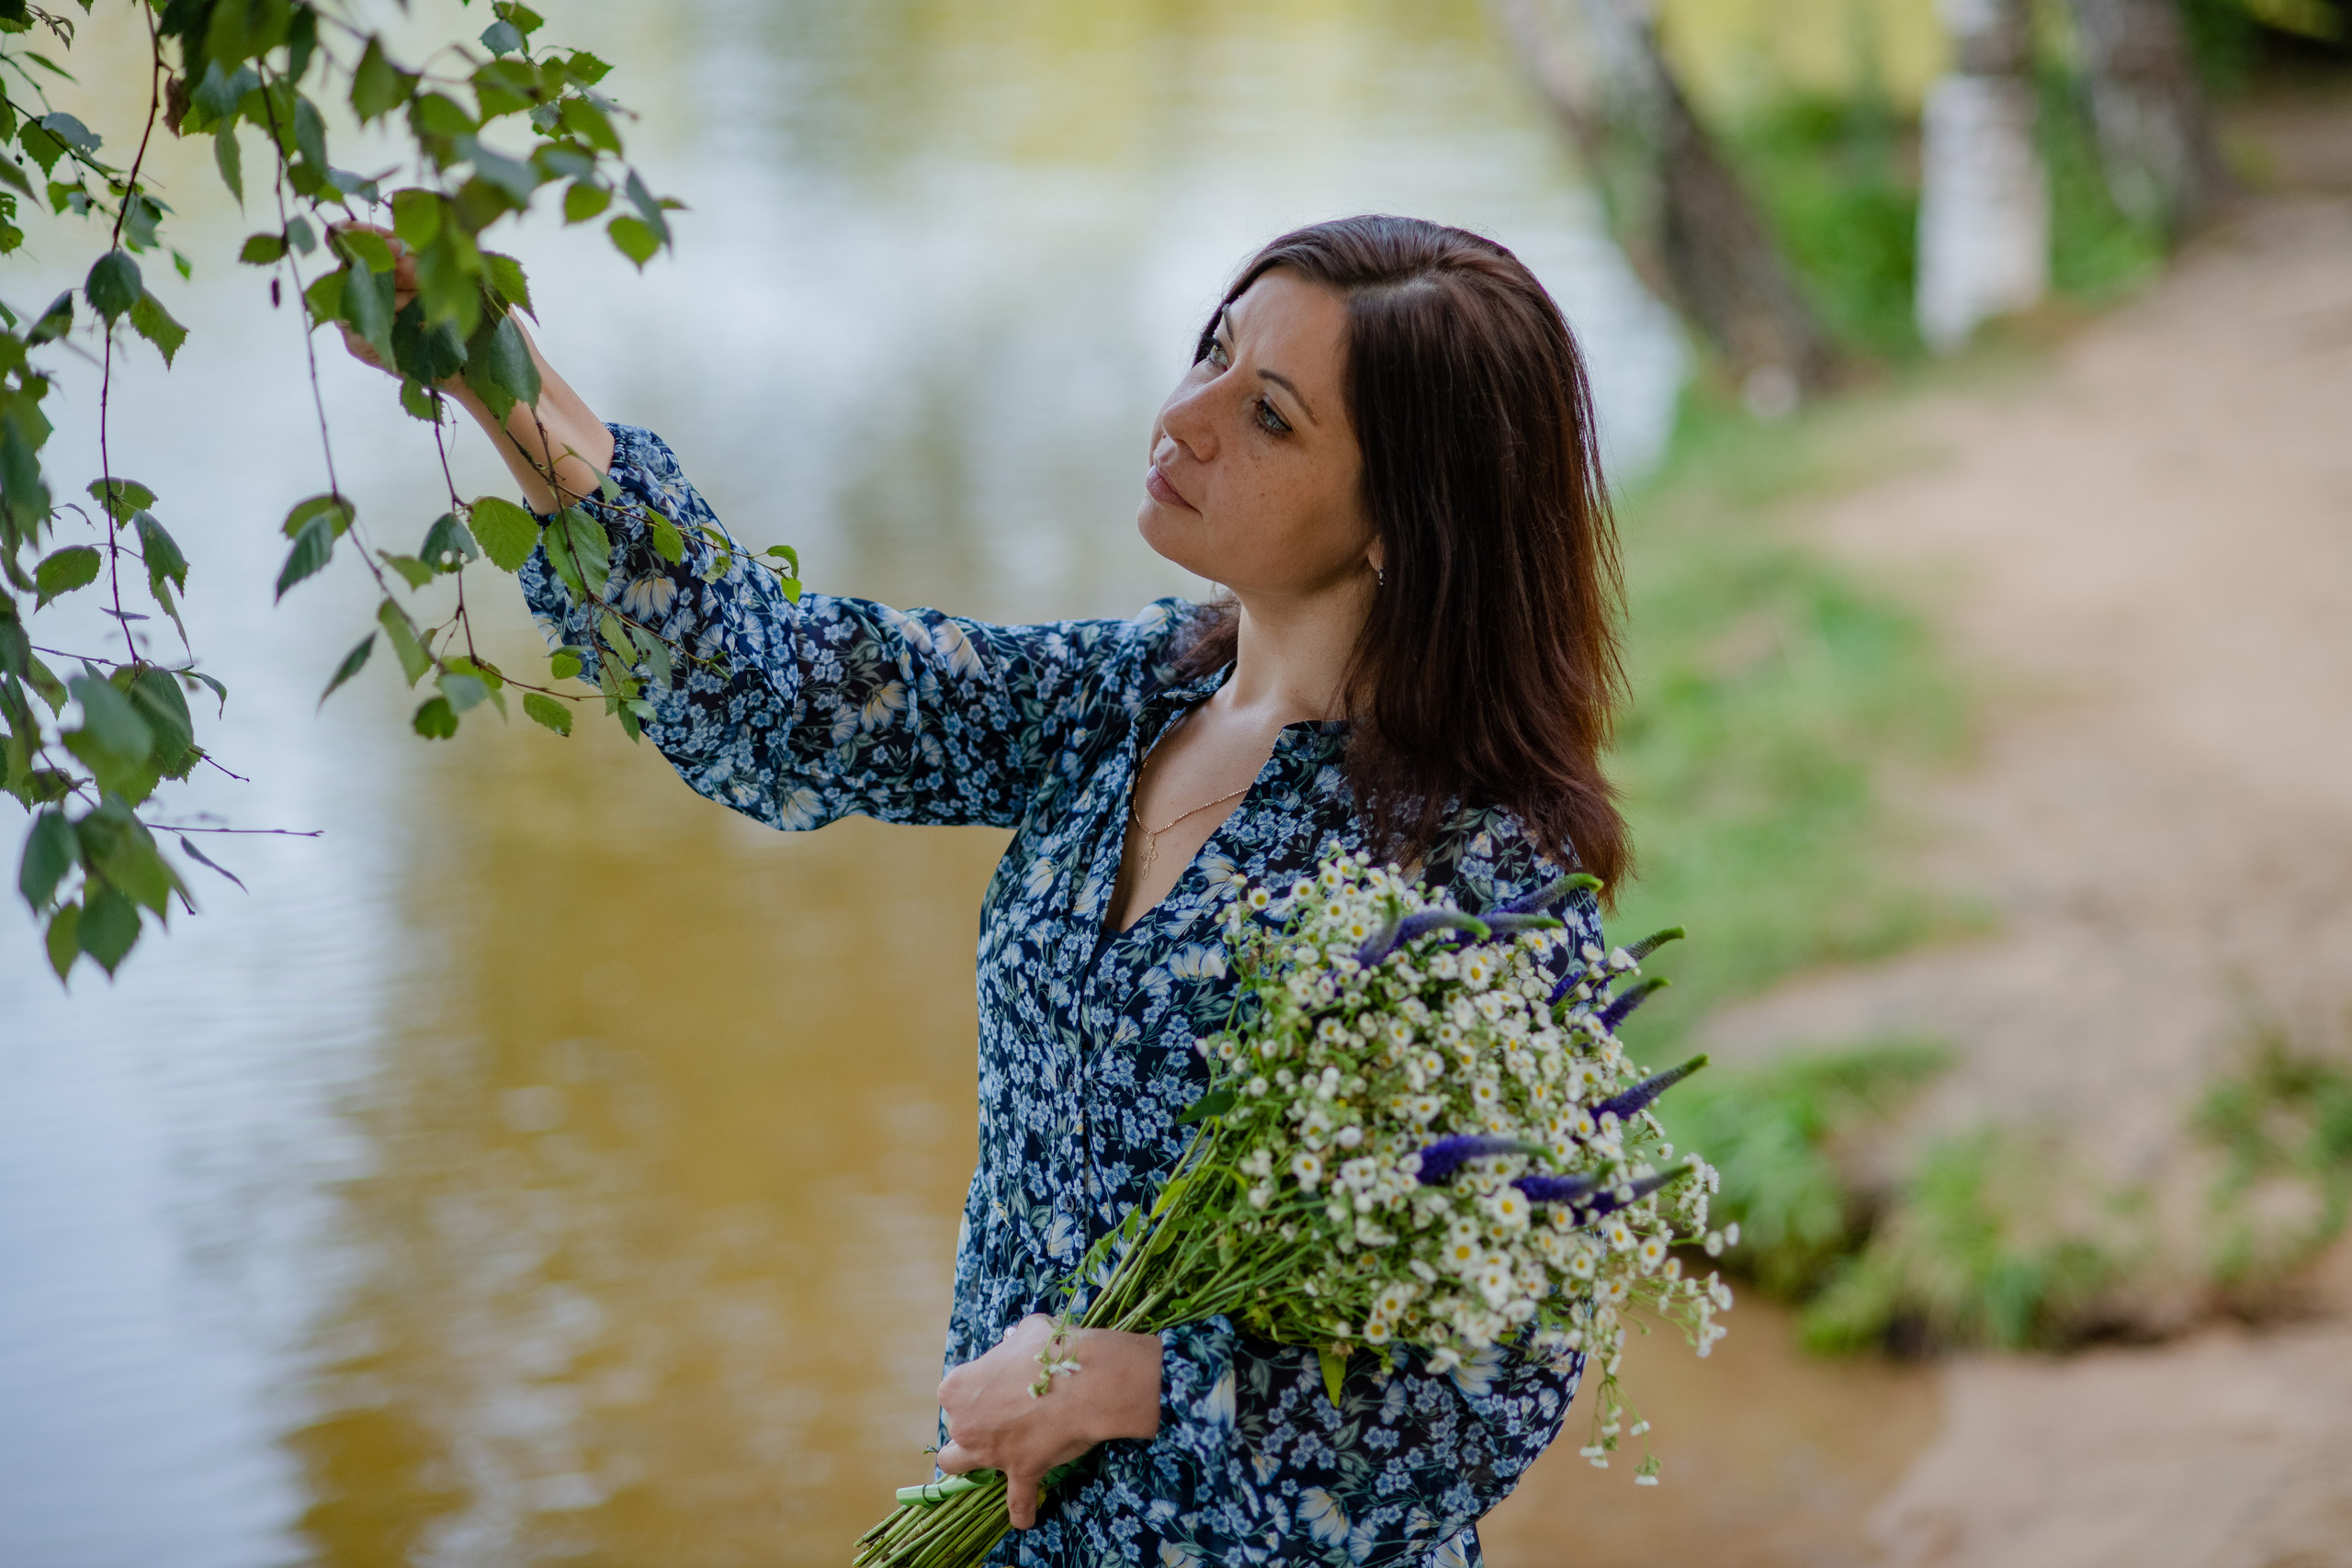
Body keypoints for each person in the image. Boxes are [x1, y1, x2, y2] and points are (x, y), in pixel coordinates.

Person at [343, 213, 1631, 1568]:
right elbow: (778, 701)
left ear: (1403, 525)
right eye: (1211, 352)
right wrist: (501, 377)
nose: (1183, 417)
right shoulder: (1124, 698)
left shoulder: (1477, 879)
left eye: (1268, 417)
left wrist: (1125, 1382)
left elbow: (1487, 1399)